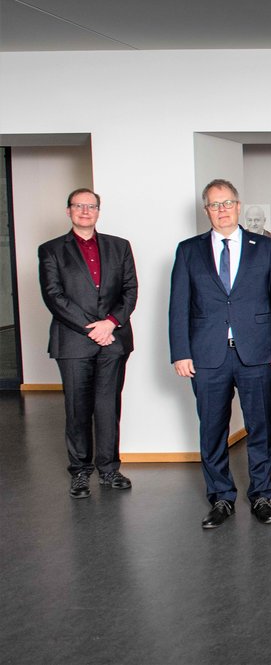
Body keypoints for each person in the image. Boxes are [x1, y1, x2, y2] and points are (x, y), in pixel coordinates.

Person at [169, 179, 271, 529]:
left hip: (257, 352)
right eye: (214, 204)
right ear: (206, 210)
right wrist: (181, 352)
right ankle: (221, 497)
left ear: (238, 207)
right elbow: (178, 306)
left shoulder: (264, 247)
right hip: (207, 355)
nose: (222, 210)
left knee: (260, 428)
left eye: (227, 203)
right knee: (211, 430)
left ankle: (261, 495)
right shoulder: (188, 250)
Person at [37, 188, 138, 498]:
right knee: (78, 409)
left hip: (114, 340)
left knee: (108, 407)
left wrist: (110, 323)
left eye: (90, 206)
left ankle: (109, 470)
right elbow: (53, 296)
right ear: (68, 211)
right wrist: (91, 328)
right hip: (73, 342)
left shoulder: (119, 247)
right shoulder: (51, 250)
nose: (85, 211)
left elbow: (130, 290)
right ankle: (80, 472)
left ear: (98, 210)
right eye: (78, 206)